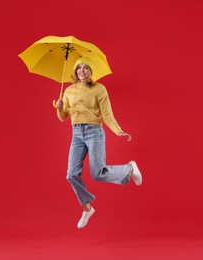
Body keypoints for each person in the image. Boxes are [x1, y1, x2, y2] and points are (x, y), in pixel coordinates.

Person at [55, 57, 142, 229]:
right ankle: (87, 208)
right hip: (77, 134)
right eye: (79, 68)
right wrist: (59, 107)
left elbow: (107, 114)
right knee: (71, 174)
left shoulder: (99, 89)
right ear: (75, 71)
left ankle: (129, 169)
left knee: (97, 173)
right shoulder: (69, 91)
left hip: (94, 132)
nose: (82, 71)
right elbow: (64, 117)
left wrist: (118, 131)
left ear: (91, 71)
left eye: (86, 68)